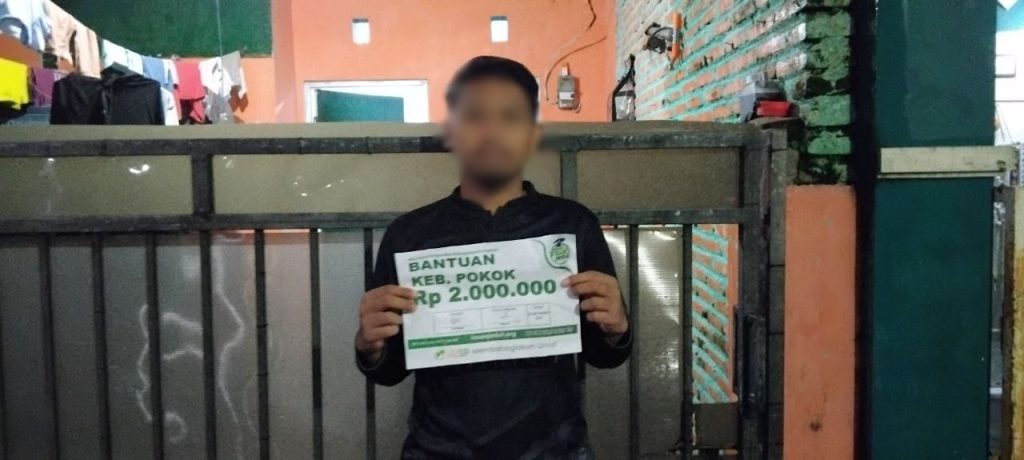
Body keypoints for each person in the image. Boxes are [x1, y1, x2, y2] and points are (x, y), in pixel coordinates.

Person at [354, 55, 632, 459]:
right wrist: (370, 345)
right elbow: (391, 369)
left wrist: (617, 328)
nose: (492, 132)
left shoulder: (572, 224)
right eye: (475, 116)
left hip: (554, 450)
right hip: (439, 452)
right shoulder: (409, 235)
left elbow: (603, 354)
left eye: (510, 117)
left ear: (531, 133)